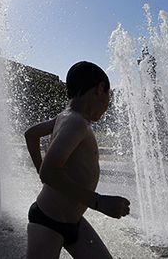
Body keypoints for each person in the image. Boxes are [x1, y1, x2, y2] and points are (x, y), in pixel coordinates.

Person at [25, 61, 130, 259]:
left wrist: (44, 174)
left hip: (73, 221)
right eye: (109, 96)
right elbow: (48, 172)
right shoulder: (76, 123)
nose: (108, 106)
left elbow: (31, 134)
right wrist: (99, 202)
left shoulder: (64, 117)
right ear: (100, 89)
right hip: (48, 222)